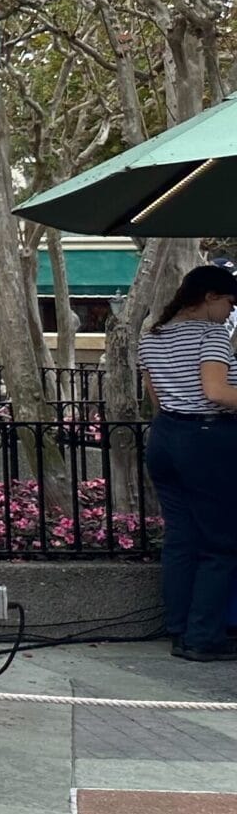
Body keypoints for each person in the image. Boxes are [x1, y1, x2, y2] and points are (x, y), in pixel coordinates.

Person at [139, 264, 237, 663]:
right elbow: (215, 391)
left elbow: (157, 398)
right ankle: (203, 637)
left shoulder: (152, 336)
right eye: (230, 304)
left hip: (165, 437)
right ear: (210, 297)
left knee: (181, 539)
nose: (231, 313)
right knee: (222, 543)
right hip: (206, 439)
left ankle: (179, 629)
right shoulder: (211, 335)